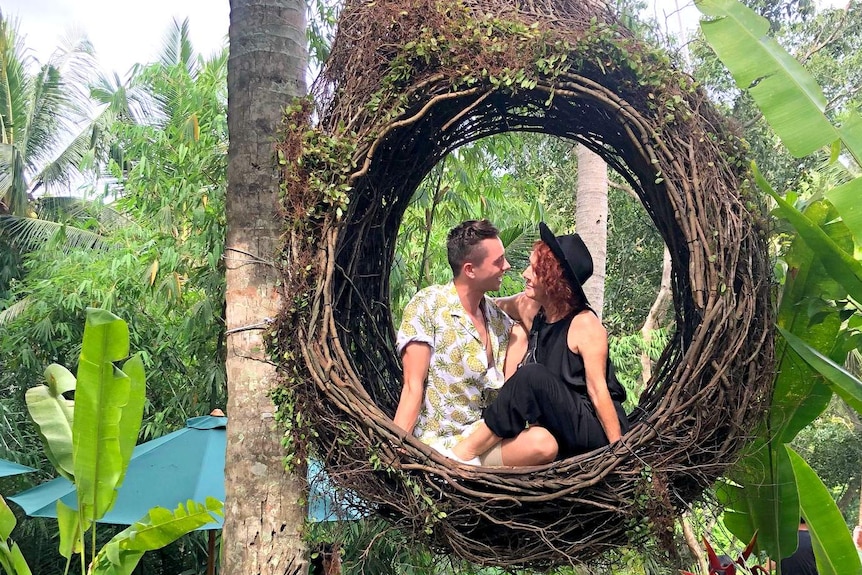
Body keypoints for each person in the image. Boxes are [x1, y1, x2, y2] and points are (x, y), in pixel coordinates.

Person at [452, 222, 630, 463]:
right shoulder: (534, 311)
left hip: (593, 429)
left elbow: (599, 392)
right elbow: (490, 305)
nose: (525, 273)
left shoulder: (585, 324)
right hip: (556, 434)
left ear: (555, 281)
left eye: (535, 270)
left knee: (531, 376)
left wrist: (617, 453)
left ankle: (463, 454)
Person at [393, 219, 557, 466]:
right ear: (470, 270)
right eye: (498, 261)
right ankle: (458, 470)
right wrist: (394, 452)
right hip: (439, 444)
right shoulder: (428, 306)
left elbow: (527, 305)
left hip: (483, 441)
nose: (508, 266)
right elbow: (412, 387)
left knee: (544, 444)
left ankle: (473, 472)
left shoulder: (498, 320)